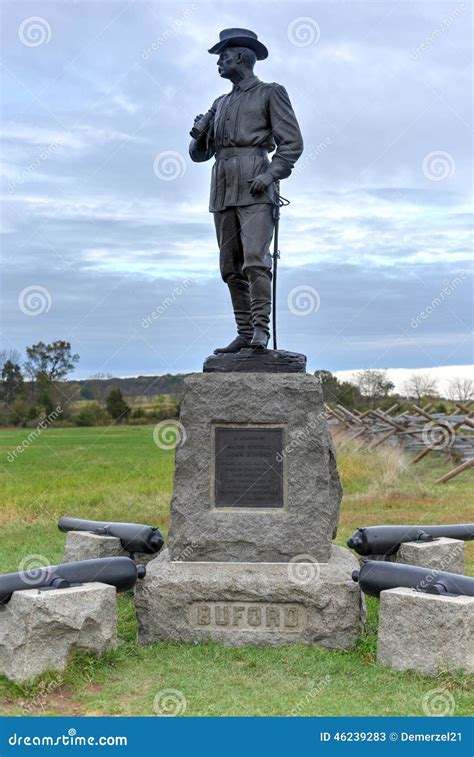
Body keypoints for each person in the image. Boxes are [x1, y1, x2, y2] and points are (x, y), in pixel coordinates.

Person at [189, 28, 303, 352]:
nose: (219, 63)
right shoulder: (219, 103)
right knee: (229, 266)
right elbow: (199, 154)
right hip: (223, 185)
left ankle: (260, 331)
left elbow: (292, 143)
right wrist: (198, 134)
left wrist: (271, 174)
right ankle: (243, 331)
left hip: (254, 182)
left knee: (255, 260)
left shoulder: (270, 92)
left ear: (240, 56)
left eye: (223, 56)